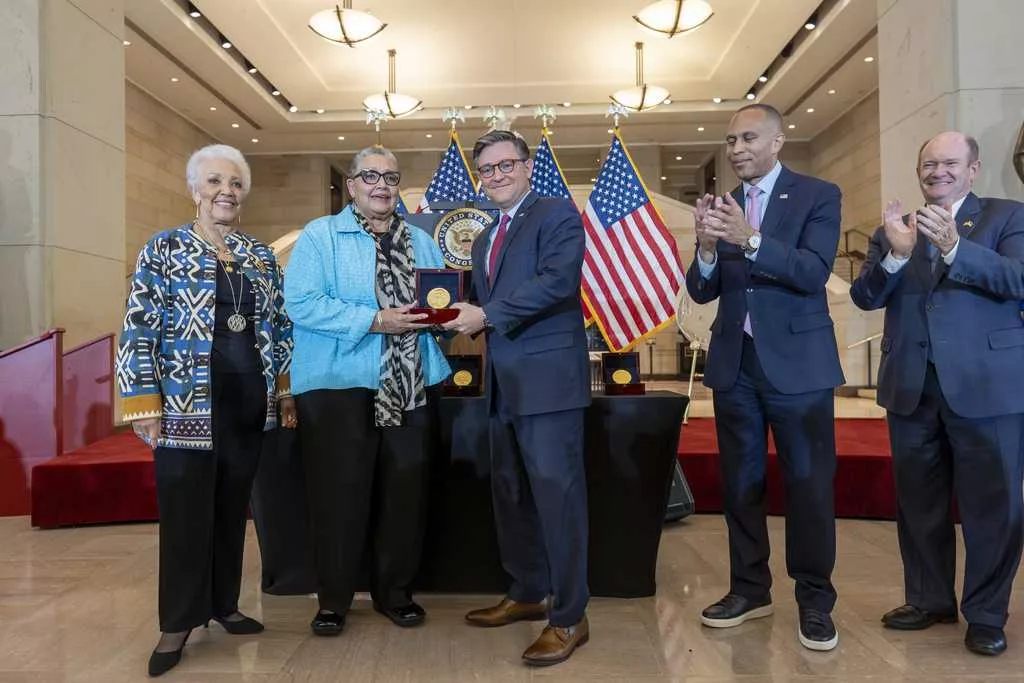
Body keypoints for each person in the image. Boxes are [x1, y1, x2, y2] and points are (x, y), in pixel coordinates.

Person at [116, 143, 295, 677]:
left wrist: (283, 392)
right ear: (195, 191)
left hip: (247, 401)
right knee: (186, 511)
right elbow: (138, 325)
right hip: (185, 400)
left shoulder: (260, 254)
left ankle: (224, 604)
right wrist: (144, 403)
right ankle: (177, 622)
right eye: (215, 182)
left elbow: (280, 327)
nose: (226, 192)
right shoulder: (164, 248)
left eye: (235, 184)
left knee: (231, 506)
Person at [850, 131, 1024, 656]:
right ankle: (929, 600)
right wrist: (897, 257)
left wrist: (953, 246)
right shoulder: (896, 230)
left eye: (950, 162)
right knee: (920, 504)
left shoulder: (1006, 216)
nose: (937, 171)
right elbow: (863, 295)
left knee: (992, 506)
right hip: (911, 387)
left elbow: (1017, 279)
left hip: (986, 388)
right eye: (928, 163)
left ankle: (987, 614)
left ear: (973, 169)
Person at [684, 104, 845, 651]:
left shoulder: (818, 195)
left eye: (748, 138)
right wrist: (706, 249)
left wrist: (749, 238)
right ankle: (750, 589)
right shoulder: (724, 205)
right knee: (741, 486)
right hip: (736, 367)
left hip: (799, 367)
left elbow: (812, 271)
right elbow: (704, 290)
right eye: (730, 141)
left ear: (778, 142)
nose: (736, 150)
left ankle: (815, 600)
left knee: (808, 486)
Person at [284, 146, 451, 637]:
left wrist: (447, 315)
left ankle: (394, 593)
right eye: (371, 176)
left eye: (391, 177)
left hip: (411, 383)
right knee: (338, 496)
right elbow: (302, 303)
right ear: (351, 185)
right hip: (338, 385)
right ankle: (333, 599)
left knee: (404, 493)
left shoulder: (421, 241)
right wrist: (376, 320)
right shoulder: (320, 235)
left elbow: (436, 299)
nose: (382, 185)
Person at [443, 130, 591, 666]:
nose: (498, 175)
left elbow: (557, 281)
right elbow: (480, 302)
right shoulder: (484, 238)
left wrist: (483, 314)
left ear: (528, 167)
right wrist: (436, 311)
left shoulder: (556, 215)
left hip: (550, 383)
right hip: (503, 384)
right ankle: (529, 590)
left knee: (558, 498)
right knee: (511, 494)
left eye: (507, 165)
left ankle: (570, 615)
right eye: (487, 169)